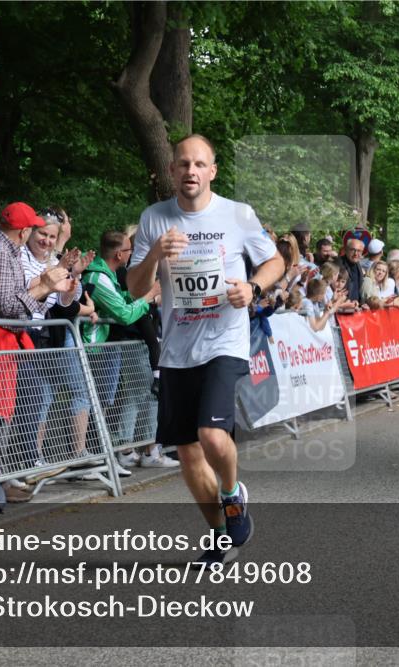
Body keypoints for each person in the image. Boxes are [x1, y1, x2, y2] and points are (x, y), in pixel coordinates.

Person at [126, 134, 282, 565]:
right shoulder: (155, 219)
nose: (191, 171)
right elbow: (135, 289)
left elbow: (276, 263)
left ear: (212, 171)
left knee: (213, 435)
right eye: (183, 164)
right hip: (177, 350)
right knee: (188, 454)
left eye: (199, 164)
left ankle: (233, 495)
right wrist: (155, 253)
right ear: (172, 172)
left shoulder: (237, 214)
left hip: (225, 341)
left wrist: (252, 287)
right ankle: (219, 534)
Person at [0, 202, 74, 501]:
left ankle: (3, 476)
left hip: (7, 338)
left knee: (17, 405)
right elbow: (7, 307)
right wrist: (43, 289)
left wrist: (43, 290)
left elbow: (13, 303)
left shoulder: (7, 250)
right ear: (24, 231)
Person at [82, 230, 172, 472]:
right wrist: (149, 296)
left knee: (103, 401)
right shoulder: (98, 276)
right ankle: (99, 457)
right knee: (94, 401)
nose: (132, 254)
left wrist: (144, 297)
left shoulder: (107, 275)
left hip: (101, 348)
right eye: (130, 250)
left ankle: (102, 457)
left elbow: (123, 300)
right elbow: (124, 314)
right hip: (94, 349)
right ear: (120, 254)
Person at [19, 211, 101, 478]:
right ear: (31, 232)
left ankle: (36, 458)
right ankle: (28, 460)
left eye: (51, 236)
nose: (46, 240)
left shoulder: (56, 261)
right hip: (24, 335)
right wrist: (57, 272)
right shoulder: (20, 257)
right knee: (32, 399)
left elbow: (64, 305)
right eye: (42, 234)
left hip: (47, 336)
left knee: (42, 397)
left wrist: (70, 284)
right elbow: (25, 289)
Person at [342, 237, 365, 303]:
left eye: (359, 251)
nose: (356, 254)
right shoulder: (338, 265)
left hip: (356, 307)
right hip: (342, 307)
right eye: (353, 250)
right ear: (346, 250)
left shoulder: (359, 265)